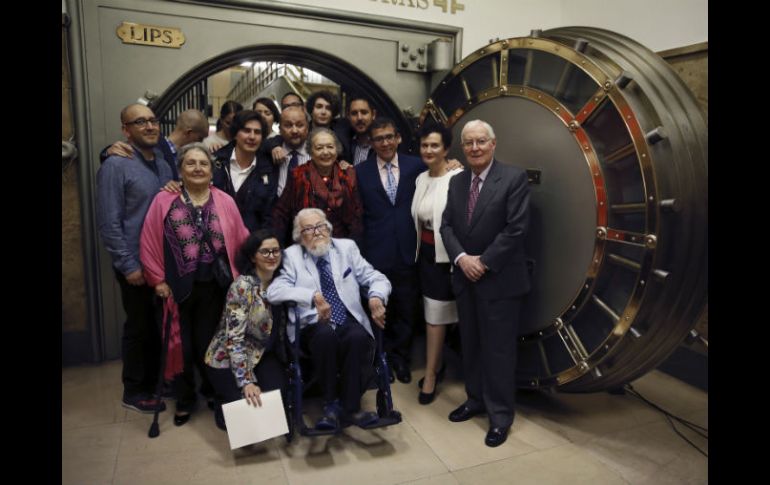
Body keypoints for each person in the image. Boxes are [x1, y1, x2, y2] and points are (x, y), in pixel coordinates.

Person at [140, 142, 249, 426]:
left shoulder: (224, 200)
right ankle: (185, 398)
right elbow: (149, 241)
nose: (198, 168)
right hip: (175, 287)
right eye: (191, 163)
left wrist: (244, 277)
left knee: (208, 345)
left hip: (213, 287)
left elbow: (241, 238)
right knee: (182, 348)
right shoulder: (163, 201)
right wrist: (157, 280)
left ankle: (212, 390)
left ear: (212, 170)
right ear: (180, 170)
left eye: (204, 163)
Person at [440, 120, 531, 447]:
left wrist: (484, 261)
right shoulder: (457, 181)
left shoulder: (513, 178)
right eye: (469, 143)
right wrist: (463, 259)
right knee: (472, 345)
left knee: (499, 351)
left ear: (493, 144)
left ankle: (500, 416)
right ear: (462, 148)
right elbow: (446, 226)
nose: (475, 148)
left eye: (481, 142)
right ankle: (475, 399)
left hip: (499, 281)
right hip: (465, 278)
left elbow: (516, 229)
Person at [266, 208, 391, 430]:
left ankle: (351, 408)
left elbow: (375, 277)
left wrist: (375, 296)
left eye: (320, 226)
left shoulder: (347, 248)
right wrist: (311, 296)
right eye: (308, 229)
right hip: (312, 325)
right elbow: (274, 292)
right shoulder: (292, 256)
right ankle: (331, 405)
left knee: (357, 337)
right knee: (325, 336)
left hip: (346, 320)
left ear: (329, 228)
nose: (316, 232)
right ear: (299, 236)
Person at [96, 103, 174, 414]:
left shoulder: (165, 166)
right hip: (136, 264)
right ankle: (134, 389)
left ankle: (156, 382)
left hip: (161, 262)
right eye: (139, 122)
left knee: (157, 325)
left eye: (153, 120)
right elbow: (109, 222)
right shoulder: (116, 165)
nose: (149, 126)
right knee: (138, 326)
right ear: (125, 130)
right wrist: (128, 265)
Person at [355, 117, 423, 384]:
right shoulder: (360, 172)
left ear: (398, 138)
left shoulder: (416, 167)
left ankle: (400, 359)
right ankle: (378, 359)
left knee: (406, 309)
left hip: (407, 250)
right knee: (377, 308)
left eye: (388, 137)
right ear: (371, 143)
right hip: (375, 252)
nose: (384, 143)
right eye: (378, 139)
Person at [204, 229, 288, 431]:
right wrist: (246, 381)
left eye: (276, 251)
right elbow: (234, 338)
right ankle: (221, 402)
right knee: (244, 408)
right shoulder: (242, 286)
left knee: (277, 398)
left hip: (262, 354)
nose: (272, 256)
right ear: (252, 256)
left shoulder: (283, 282)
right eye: (265, 252)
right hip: (227, 357)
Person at [410, 124, 463, 404]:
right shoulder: (420, 179)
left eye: (434, 146)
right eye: (424, 146)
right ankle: (434, 370)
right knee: (434, 316)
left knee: (447, 318)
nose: (428, 150)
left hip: (453, 257)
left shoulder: (458, 176)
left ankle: (434, 373)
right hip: (428, 256)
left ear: (446, 149)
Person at [272, 127, 363, 246]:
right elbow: (281, 212)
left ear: (337, 150)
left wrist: (353, 247)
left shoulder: (349, 174)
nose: (325, 152)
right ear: (310, 152)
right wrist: (277, 244)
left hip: (342, 245)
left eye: (330, 147)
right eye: (319, 148)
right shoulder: (297, 175)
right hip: (307, 244)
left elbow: (358, 214)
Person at [211, 110, 278, 232]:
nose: (252, 137)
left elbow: (269, 216)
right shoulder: (216, 164)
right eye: (246, 131)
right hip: (217, 241)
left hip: (252, 245)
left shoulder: (269, 170)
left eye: (257, 132)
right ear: (235, 134)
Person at [100, 109, 209, 181]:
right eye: (200, 138)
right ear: (188, 133)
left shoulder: (183, 156)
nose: (200, 143)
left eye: (153, 121)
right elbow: (127, 151)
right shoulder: (153, 147)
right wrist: (106, 152)